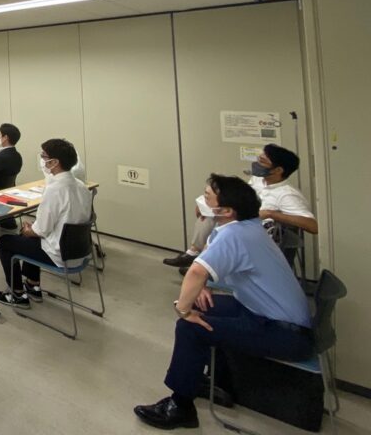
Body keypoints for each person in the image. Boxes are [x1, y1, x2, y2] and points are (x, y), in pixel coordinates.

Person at [134, 174, 314, 430]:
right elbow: (208, 265)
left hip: (285, 333)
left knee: (189, 326)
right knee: (201, 306)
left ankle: (181, 407)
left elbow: (195, 271)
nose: (202, 200)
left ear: (227, 210)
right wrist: (203, 286)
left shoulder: (236, 235)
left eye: (208, 197)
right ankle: (215, 380)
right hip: (264, 313)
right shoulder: (247, 226)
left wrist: (183, 310)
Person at [163, 143, 316, 271]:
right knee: (209, 214)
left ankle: (202, 263)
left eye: (262, 161)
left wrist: (271, 213)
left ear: (278, 170)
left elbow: (312, 226)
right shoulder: (258, 179)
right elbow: (240, 198)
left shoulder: (288, 195)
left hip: (255, 234)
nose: (257, 163)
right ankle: (195, 256)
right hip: (242, 222)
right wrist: (207, 204)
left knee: (218, 223)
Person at [0, 138, 92, 306]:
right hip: (80, 252)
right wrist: (34, 230)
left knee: (5, 241)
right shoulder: (82, 187)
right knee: (30, 237)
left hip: (59, 254)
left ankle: (17, 294)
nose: (42, 160)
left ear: (54, 162)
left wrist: (28, 229)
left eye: (44, 156)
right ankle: (33, 285)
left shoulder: (54, 189)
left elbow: (41, 230)